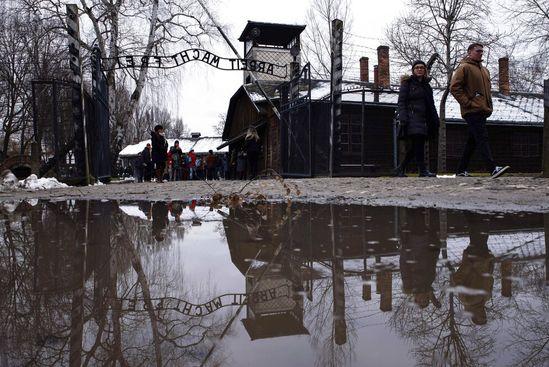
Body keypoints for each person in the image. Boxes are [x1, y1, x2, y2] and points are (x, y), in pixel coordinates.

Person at [450, 43, 509, 178]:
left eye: (482, 51)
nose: (481, 53)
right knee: (482, 138)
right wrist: (468, 103)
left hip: (483, 110)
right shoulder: (464, 68)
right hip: (472, 111)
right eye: (478, 51)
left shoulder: (484, 70)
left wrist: (488, 105)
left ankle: (460, 170)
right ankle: (493, 168)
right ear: (470, 52)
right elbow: (454, 88)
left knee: (472, 140)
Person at [395, 60, 439, 177]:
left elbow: (431, 104)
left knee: (416, 146)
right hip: (411, 118)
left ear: (425, 70)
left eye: (422, 68)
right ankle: (422, 170)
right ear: (413, 70)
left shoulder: (427, 86)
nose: (420, 69)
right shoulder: (407, 84)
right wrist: (403, 117)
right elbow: (401, 102)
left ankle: (400, 168)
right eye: (417, 68)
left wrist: (435, 119)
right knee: (418, 144)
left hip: (424, 119)